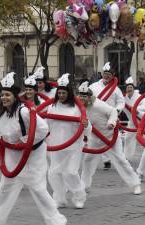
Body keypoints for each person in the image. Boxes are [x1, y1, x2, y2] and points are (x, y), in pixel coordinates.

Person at [0, 72, 67, 225]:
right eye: (2, 95)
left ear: (14, 96)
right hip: (12, 157)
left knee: (39, 190)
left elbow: (43, 129)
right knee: (4, 192)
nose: (4, 98)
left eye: (7, 95)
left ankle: (56, 220)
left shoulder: (24, 112)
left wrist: (25, 141)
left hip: (33, 156)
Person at [78, 81, 142, 195]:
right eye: (80, 96)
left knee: (120, 160)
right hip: (95, 138)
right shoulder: (78, 107)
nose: (82, 98)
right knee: (88, 161)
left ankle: (135, 184)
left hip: (110, 136)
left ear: (89, 96)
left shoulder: (97, 104)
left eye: (85, 96)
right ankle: (84, 185)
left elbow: (113, 111)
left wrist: (111, 122)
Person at [46, 73, 87, 209]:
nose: (61, 95)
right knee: (53, 173)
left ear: (68, 93)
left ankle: (79, 197)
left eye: (64, 93)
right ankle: (60, 198)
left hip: (73, 146)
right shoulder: (52, 107)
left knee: (71, 172)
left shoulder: (76, 108)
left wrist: (86, 125)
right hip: (56, 145)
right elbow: (46, 125)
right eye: (59, 93)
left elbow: (85, 125)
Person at [89, 62, 125, 170]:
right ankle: (105, 160)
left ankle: (120, 159)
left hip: (111, 116)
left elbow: (120, 101)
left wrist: (117, 110)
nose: (106, 76)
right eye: (105, 74)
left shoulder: (116, 89)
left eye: (109, 74)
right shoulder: (93, 87)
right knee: (97, 138)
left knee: (114, 137)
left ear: (113, 76)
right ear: (102, 74)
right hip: (96, 116)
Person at [123, 76, 145, 160]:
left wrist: (137, 109)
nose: (129, 89)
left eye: (131, 87)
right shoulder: (124, 98)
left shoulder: (138, 96)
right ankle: (127, 157)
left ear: (133, 88)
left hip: (141, 121)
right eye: (128, 87)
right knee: (128, 138)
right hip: (132, 122)